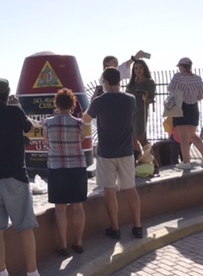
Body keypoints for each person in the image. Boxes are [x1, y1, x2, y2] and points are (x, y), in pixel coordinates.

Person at [0, 78, 58, 276]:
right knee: (25, 227)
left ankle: (2, 275)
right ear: (7, 93)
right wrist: (17, 107)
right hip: (14, 176)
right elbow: (29, 129)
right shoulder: (14, 112)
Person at [85, 68, 144, 240]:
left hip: (106, 153)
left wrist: (94, 99)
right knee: (131, 189)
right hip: (126, 152)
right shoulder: (130, 99)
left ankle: (115, 228)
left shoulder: (99, 101)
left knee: (110, 191)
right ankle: (138, 226)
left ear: (106, 82)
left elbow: (85, 119)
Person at [43, 88, 87, 257]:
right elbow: (81, 139)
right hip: (77, 166)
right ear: (72, 104)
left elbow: (46, 140)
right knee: (78, 206)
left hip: (57, 167)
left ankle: (63, 244)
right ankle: (79, 242)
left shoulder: (48, 122)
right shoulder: (79, 123)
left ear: (57, 104)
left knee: (60, 209)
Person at [168, 58, 203, 170]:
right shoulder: (197, 78)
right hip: (193, 108)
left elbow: (171, 89)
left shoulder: (177, 77)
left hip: (181, 107)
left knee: (183, 137)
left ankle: (186, 162)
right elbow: (201, 95)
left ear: (182, 66)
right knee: (192, 135)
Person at [125, 59, 156, 150]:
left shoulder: (149, 82)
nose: (138, 70)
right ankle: (138, 159)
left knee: (140, 136)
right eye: (136, 68)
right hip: (130, 112)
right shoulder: (131, 84)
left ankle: (153, 160)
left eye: (140, 68)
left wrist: (146, 98)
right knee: (132, 137)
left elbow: (151, 100)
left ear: (144, 69)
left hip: (141, 112)